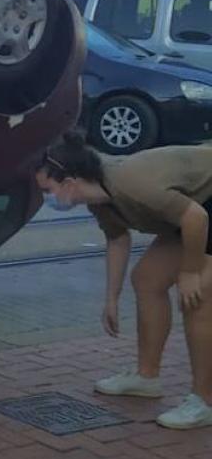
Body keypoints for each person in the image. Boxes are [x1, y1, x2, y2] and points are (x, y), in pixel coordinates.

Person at [36, 132, 212, 430]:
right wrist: (111, 299)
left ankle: (204, 401)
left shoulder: (130, 184)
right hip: (194, 209)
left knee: (198, 296)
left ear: (69, 183)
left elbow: (195, 218)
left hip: (201, 209)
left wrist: (191, 271)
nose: (45, 197)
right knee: (146, 279)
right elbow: (118, 239)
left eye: (46, 189)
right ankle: (147, 377)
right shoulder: (100, 200)